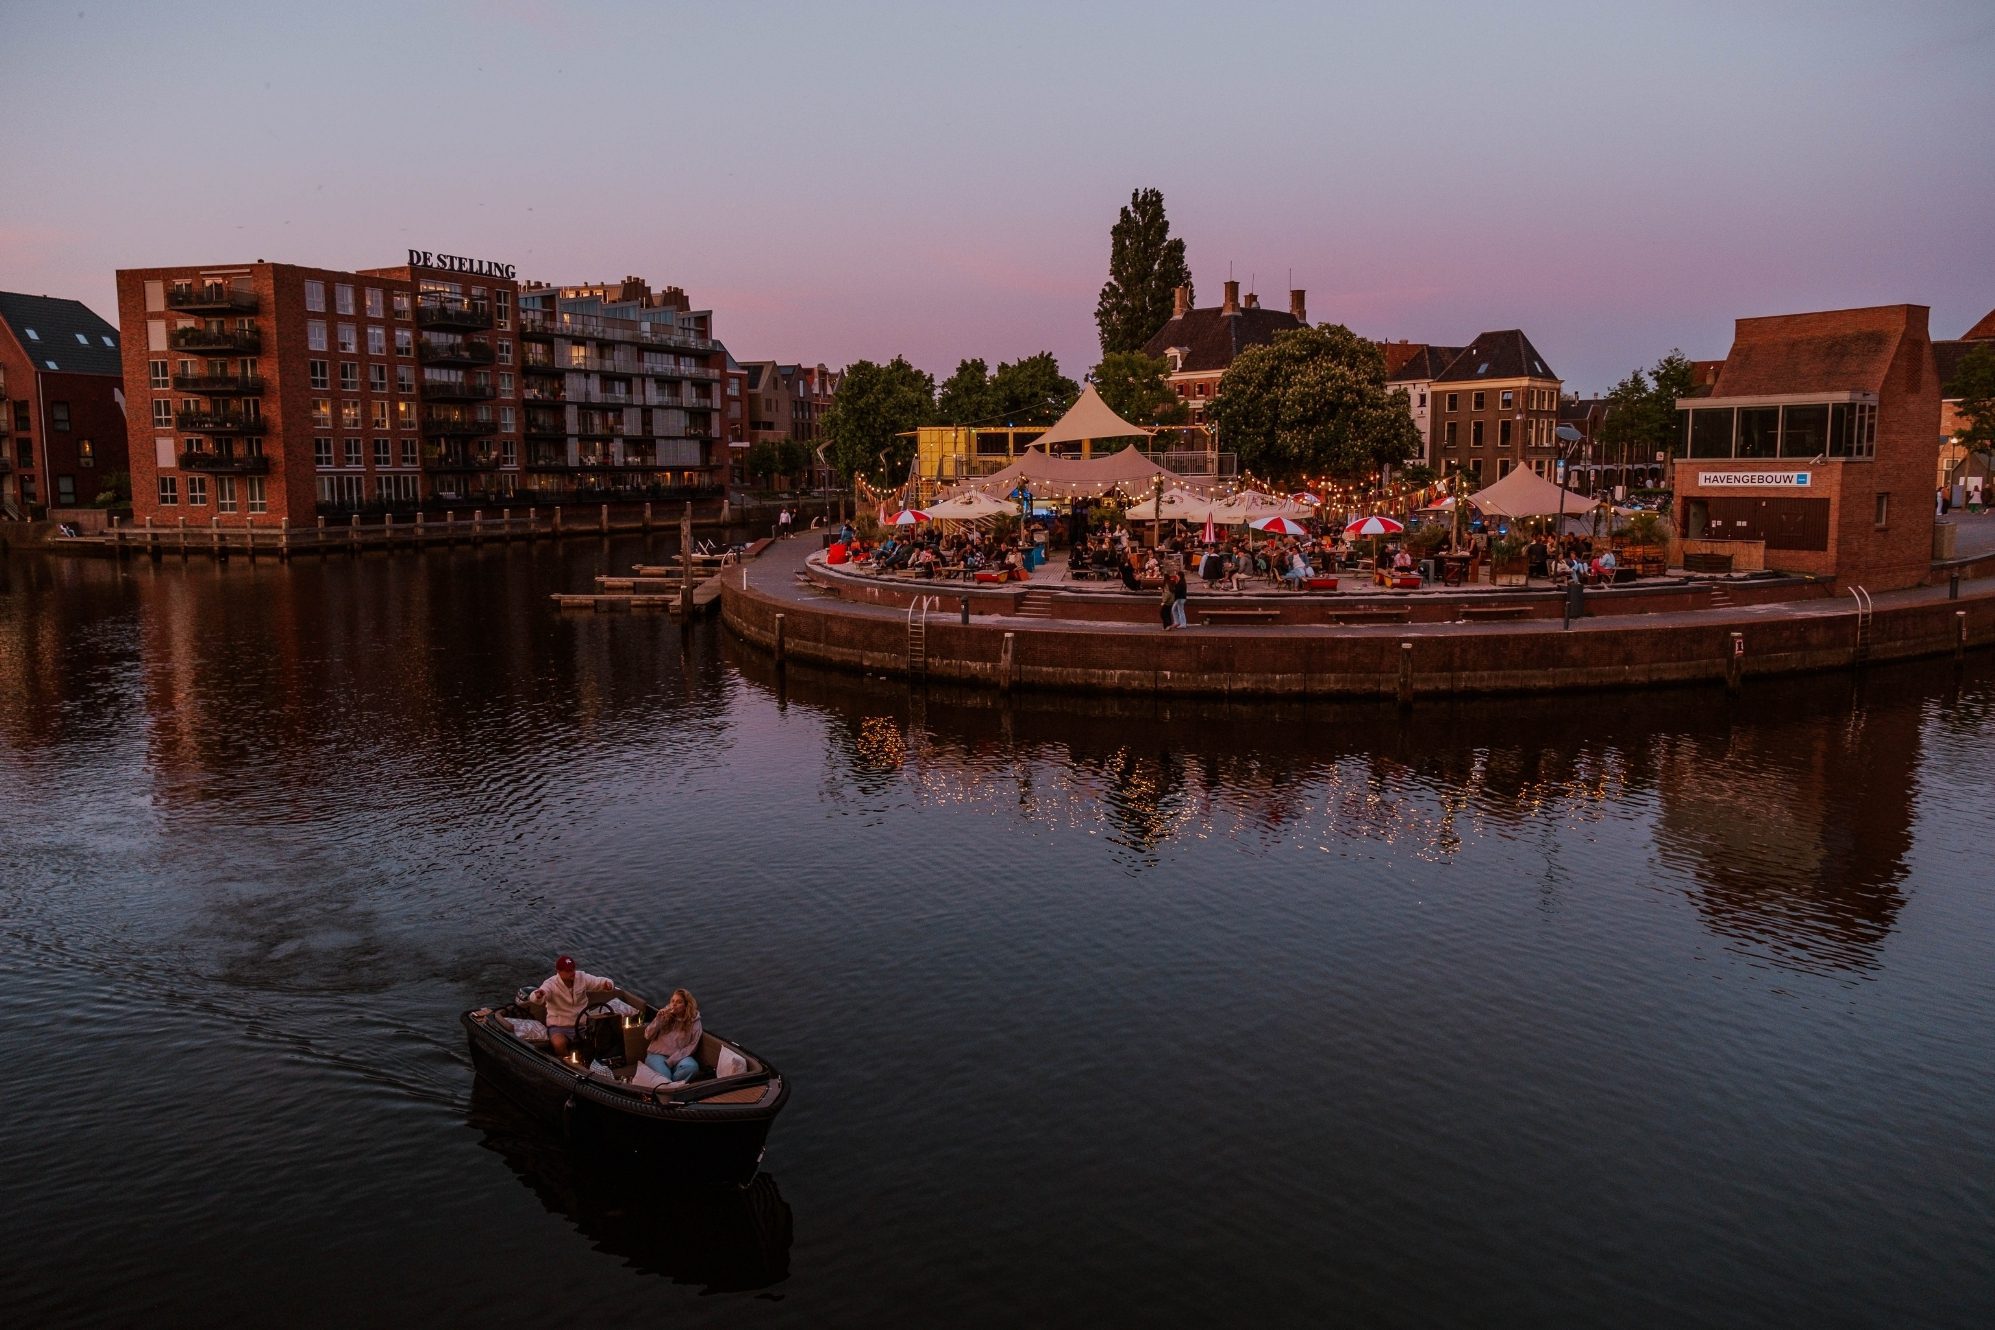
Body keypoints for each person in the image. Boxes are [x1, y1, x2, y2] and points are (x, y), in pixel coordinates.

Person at [528, 955, 617, 1057]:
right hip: (559, 1026)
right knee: (559, 1043)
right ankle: (567, 1062)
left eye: (573, 969)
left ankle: (596, 1060)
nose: (572, 972)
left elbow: (598, 982)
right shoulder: (550, 984)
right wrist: (538, 995)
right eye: (568, 971)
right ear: (558, 971)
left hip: (582, 1024)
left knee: (604, 1037)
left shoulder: (581, 977)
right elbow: (539, 995)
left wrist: (607, 984)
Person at [643, 988, 704, 1083]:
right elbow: (647, 1035)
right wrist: (658, 1019)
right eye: (672, 1001)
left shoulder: (694, 1022)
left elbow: (692, 1046)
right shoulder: (664, 1015)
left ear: (686, 1006)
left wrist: (672, 1060)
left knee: (692, 1067)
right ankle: (669, 1083)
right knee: (665, 1076)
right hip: (657, 1055)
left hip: (679, 1057)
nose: (674, 1004)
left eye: (679, 1002)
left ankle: (669, 1084)